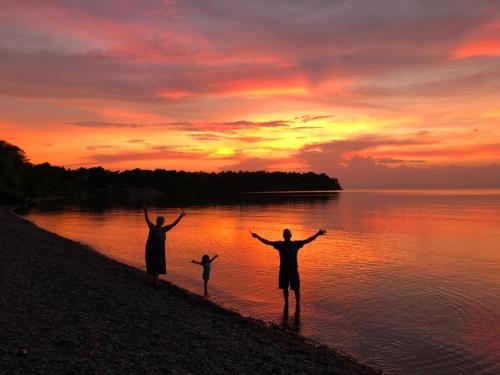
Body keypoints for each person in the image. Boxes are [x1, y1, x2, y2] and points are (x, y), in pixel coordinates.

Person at [250, 228, 327, 312]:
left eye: (288, 233)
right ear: (283, 236)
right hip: (283, 270)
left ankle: (297, 305)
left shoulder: (295, 244)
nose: (286, 235)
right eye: (285, 234)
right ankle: (286, 304)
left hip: (293, 270)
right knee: (285, 288)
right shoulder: (280, 244)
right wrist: (257, 237)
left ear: (291, 235)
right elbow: (267, 242)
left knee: (296, 289)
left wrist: (317, 234)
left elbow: (308, 240)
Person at [144, 208, 186, 287]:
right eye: (160, 220)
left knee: (158, 264)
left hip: (160, 250)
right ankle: (156, 282)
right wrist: (145, 212)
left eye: (162, 220)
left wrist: (180, 216)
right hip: (152, 249)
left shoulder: (163, 229)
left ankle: (155, 280)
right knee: (154, 263)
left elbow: (173, 224)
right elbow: (147, 220)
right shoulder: (153, 228)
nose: (162, 222)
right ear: (157, 221)